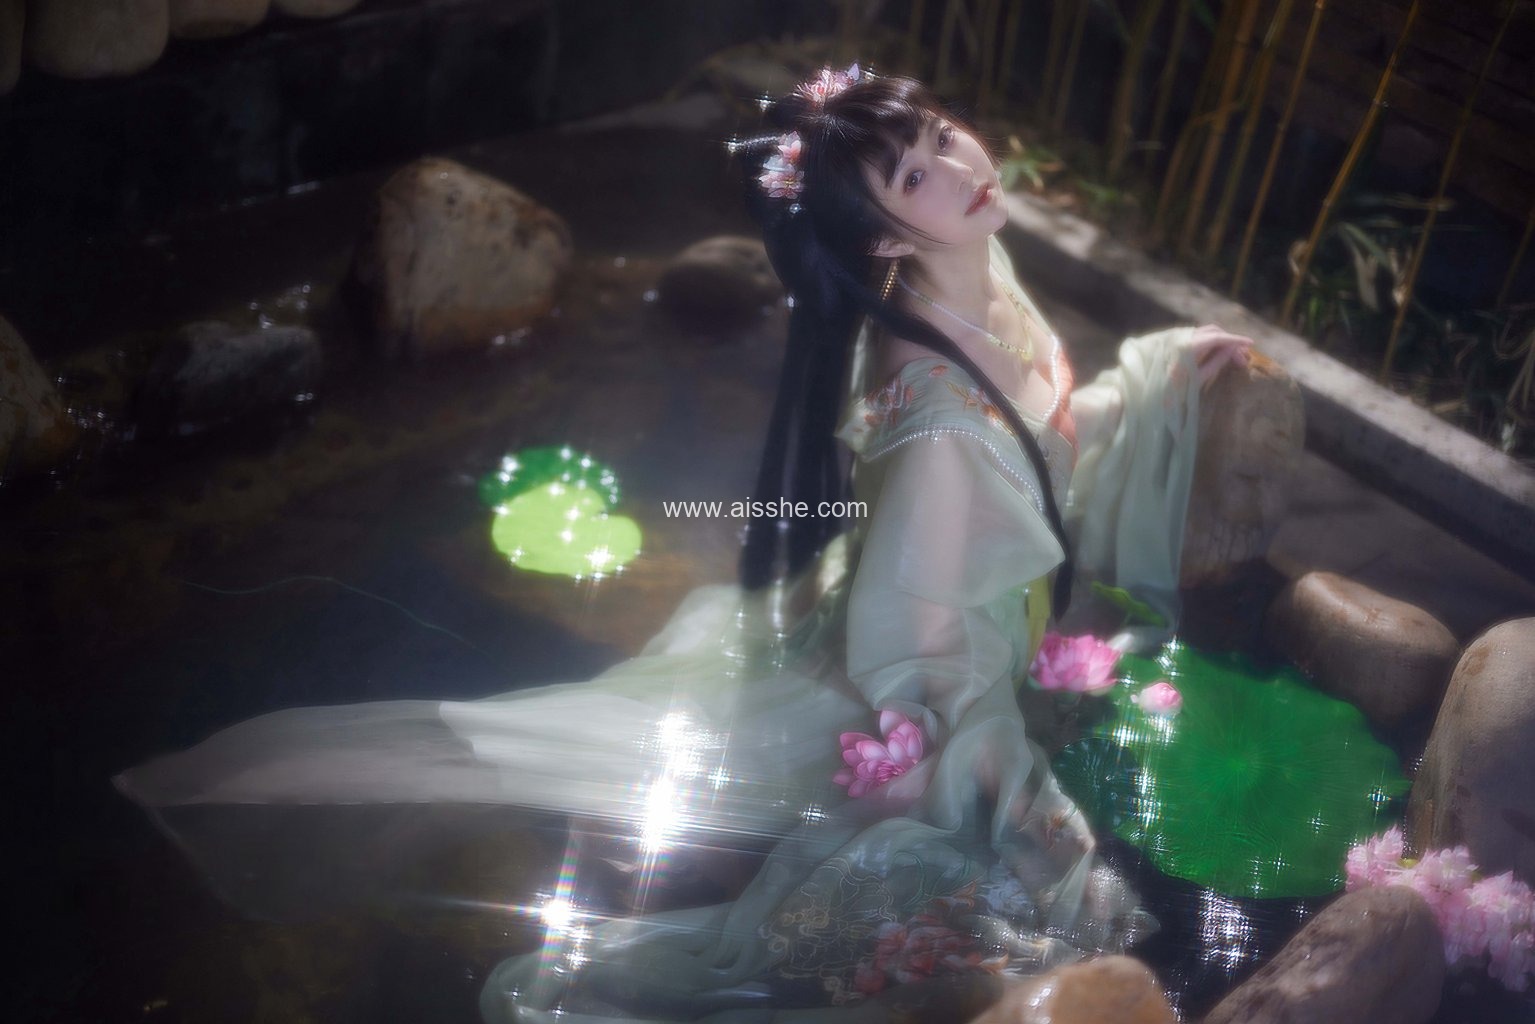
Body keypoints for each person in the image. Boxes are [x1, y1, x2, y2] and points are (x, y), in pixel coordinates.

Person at [115, 67, 1251, 1022]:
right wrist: (965, 745)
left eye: (941, 138)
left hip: (966, 597)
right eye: (915, 175)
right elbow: (909, 630)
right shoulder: (936, 412)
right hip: (925, 644)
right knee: (1045, 894)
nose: (961, 167)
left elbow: (1042, 434)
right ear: (881, 236)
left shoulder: (969, 277)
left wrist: (1148, 384)